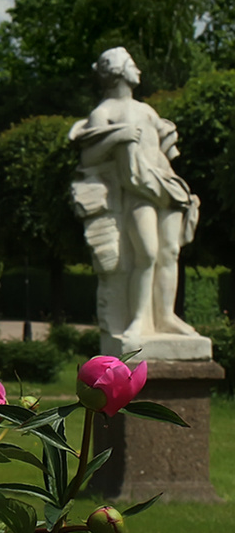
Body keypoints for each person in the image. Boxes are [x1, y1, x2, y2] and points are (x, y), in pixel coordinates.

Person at [70, 47, 199, 344]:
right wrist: (118, 135)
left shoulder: (147, 110)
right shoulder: (103, 112)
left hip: (167, 188)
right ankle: (139, 318)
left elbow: (165, 151)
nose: (138, 70)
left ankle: (165, 316)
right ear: (118, 72)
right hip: (136, 192)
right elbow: (88, 157)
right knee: (147, 254)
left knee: (170, 253)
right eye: (132, 64)